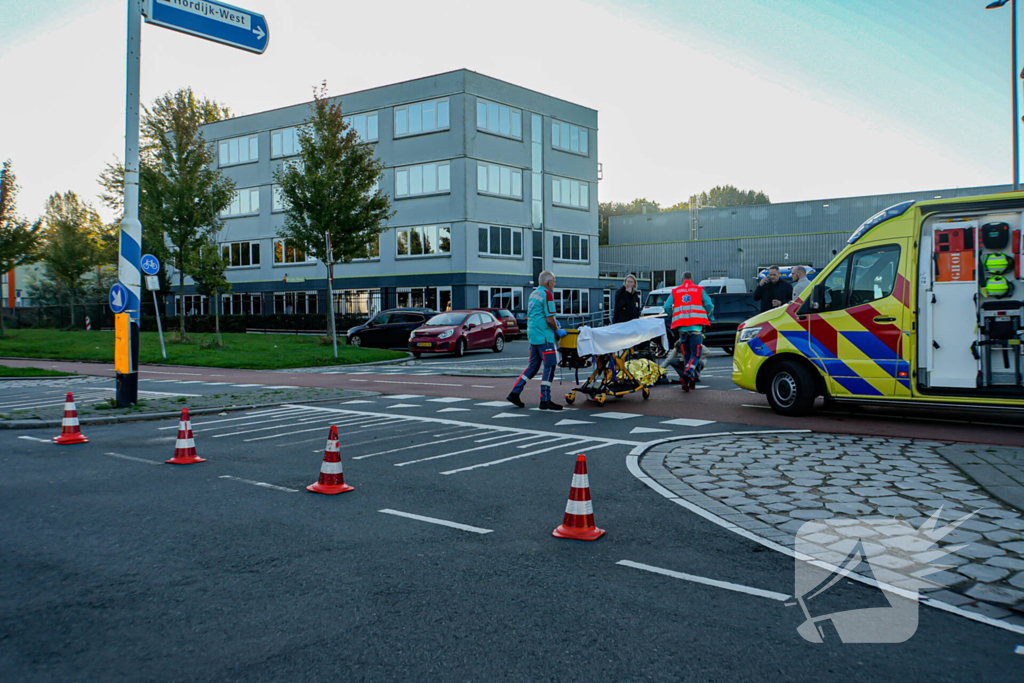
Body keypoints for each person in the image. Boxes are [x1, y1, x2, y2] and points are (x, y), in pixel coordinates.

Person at [507, 270, 565, 410]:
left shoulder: (534, 294)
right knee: (550, 367)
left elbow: (537, 314)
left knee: (533, 367)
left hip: (533, 336)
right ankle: (545, 399)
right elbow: (549, 318)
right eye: (554, 281)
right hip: (545, 337)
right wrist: (557, 329)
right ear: (548, 282)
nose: (554, 284)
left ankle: (515, 392)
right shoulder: (547, 294)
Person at [663, 271, 714, 392]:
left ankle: (691, 383)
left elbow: (666, 307)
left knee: (686, 355)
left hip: (682, 329)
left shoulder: (676, 291)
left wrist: (674, 316)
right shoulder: (699, 290)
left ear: (682, 280)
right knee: (695, 355)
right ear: (692, 279)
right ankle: (687, 376)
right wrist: (709, 317)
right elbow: (709, 305)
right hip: (696, 328)